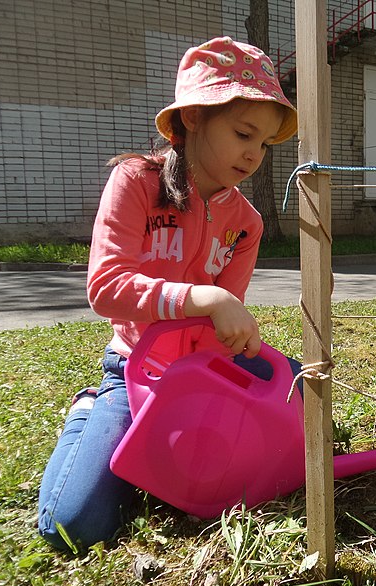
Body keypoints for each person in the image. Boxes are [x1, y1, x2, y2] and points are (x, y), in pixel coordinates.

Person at [38, 36, 300, 551]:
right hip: (135, 369)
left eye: (266, 144)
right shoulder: (136, 182)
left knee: (297, 408)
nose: (254, 154)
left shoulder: (244, 223)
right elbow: (106, 287)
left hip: (201, 375)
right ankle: (90, 410)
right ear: (194, 118)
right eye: (244, 132)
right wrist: (202, 299)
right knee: (74, 526)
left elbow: (221, 327)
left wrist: (233, 342)